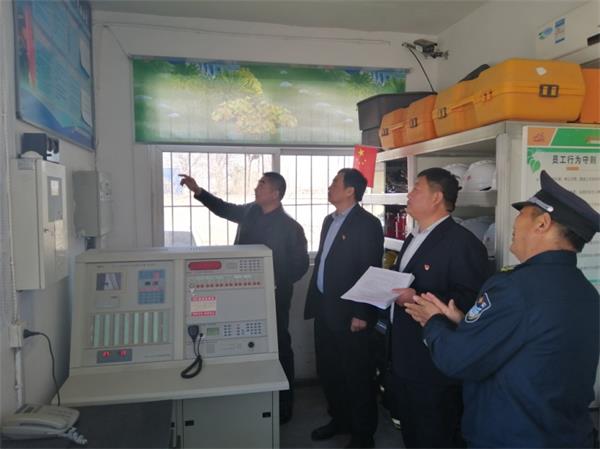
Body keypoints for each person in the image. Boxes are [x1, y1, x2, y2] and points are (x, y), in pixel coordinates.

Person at [404, 170, 600, 447]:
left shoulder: (514, 288)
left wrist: (433, 320)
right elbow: (525, 341)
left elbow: (457, 359)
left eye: (523, 214)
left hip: (512, 436)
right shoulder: (586, 291)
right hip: (565, 434)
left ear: (542, 223)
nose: (515, 223)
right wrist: (463, 321)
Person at [179, 172, 309, 424]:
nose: (256, 187)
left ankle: (284, 402)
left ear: (275, 194)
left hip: (275, 296)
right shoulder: (250, 212)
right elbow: (223, 208)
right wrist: (199, 191)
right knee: (246, 341)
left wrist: (274, 282)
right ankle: (251, 395)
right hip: (242, 293)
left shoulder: (291, 227)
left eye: (262, 184)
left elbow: (301, 265)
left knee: (280, 344)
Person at [390, 167, 489, 448]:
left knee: (435, 435)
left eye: (416, 189)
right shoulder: (413, 236)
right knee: (412, 432)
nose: (409, 194)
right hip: (405, 356)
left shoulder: (462, 243)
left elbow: (470, 301)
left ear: (436, 198)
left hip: (434, 364)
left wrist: (416, 297)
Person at [304, 168, 384, 449]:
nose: (330, 187)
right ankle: (339, 420)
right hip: (325, 309)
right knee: (330, 372)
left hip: (351, 315)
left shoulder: (368, 224)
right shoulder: (330, 220)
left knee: (357, 376)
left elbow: (369, 270)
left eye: (335, 183)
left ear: (351, 190)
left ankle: (363, 436)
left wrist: (361, 313)